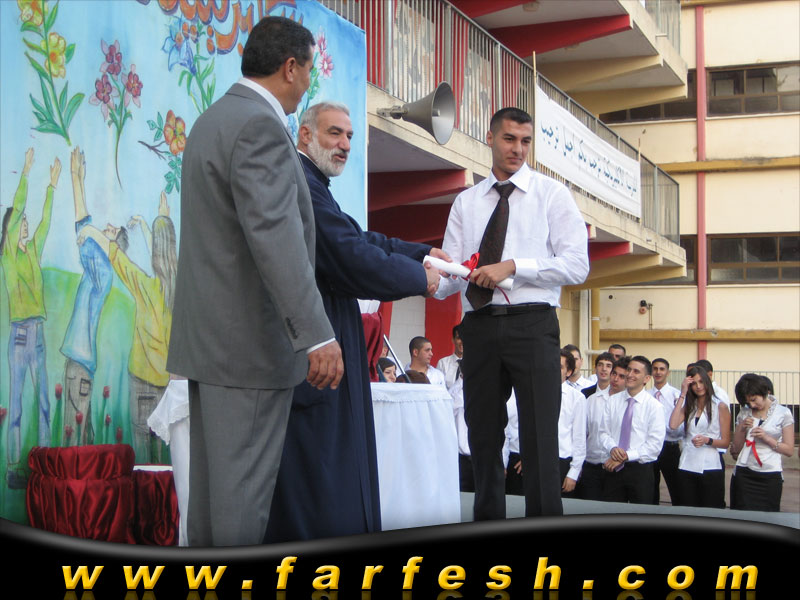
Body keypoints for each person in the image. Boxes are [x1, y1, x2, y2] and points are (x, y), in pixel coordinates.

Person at [166, 16, 343, 547]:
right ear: (290, 68)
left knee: (212, 504)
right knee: (241, 504)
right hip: (250, 350)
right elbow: (275, 238)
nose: (307, 84)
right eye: (307, 71)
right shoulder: (260, 127)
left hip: (213, 346)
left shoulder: (213, 119)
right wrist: (317, 333)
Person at [263, 101, 445, 542]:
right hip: (314, 353)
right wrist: (419, 278)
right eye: (334, 133)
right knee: (319, 483)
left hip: (326, 343)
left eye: (348, 135)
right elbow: (349, 255)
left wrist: (419, 252)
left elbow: (358, 237)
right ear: (305, 135)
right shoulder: (302, 184)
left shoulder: (315, 184)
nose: (345, 144)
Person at [434, 107, 589, 519]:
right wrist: (432, 275)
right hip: (479, 326)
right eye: (509, 139)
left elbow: (578, 265)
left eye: (525, 141)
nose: (518, 149)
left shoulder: (551, 194)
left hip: (533, 324)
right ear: (489, 138)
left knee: (539, 437)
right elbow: (452, 276)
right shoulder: (466, 202)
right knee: (483, 436)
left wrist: (516, 267)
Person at [79, 192, 177, 463]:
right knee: (164, 459)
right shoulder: (177, 292)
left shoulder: (146, 287)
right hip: (167, 388)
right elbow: (164, 256)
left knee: (143, 458)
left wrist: (90, 230)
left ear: (155, 254)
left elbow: (117, 257)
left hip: (143, 384)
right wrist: (156, 223)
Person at [1, 148, 60, 489]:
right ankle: (13, 468)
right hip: (19, 335)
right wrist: (25, 171)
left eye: (24, 221)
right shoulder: (8, 255)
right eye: (20, 221)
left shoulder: (33, 251)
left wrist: (51, 187)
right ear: (10, 229)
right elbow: (19, 206)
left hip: (37, 334)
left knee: (43, 402)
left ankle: (46, 464)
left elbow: (45, 223)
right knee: (17, 404)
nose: (25, 222)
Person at [60, 147, 125, 447]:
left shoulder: (104, 270)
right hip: (82, 363)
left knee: (73, 442)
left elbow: (83, 228)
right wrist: (78, 180)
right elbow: (84, 230)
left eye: (111, 230)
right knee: (83, 438)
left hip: (80, 364)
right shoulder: (98, 271)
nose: (106, 228)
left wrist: (76, 178)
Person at [599, 355, 665, 504]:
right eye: (629, 370)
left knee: (639, 514)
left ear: (647, 378)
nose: (630, 374)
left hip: (640, 469)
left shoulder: (654, 407)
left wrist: (626, 456)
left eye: (636, 371)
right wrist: (613, 448)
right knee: (611, 512)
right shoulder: (613, 401)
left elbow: (654, 445)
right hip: (613, 467)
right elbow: (603, 432)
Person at [730, 374, 795, 512]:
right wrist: (741, 428)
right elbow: (736, 451)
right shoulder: (744, 412)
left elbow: (789, 450)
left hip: (770, 473)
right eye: (748, 402)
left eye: (754, 400)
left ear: (764, 392)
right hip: (745, 471)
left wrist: (767, 438)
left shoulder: (783, 413)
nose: (752, 405)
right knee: (742, 516)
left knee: (768, 517)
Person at [669, 365, 730, 509]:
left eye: (701, 382)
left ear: (707, 382)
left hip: (709, 464)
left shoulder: (719, 406)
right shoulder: (690, 405)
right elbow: (673, 424)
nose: (698, 386)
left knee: (710, 508)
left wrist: (707, 440)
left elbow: (726, 442)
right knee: (686, 507)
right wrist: (683, 394)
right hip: (687, 462)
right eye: (694, 383)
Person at [576, 352, 615, 500]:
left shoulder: (619, 396)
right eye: (600, 365)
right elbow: (582, 431)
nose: (604, 369)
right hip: (590, 460)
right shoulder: (585, 395)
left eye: (608, 366)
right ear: (595, 368)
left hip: (611, 462)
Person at [650, 357, 683, 505]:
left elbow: (680, 426)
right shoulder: (646, 395)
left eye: (662, 369)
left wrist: (664, 428)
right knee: (650, 488)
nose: (658, 372)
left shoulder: (677, 395)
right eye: (655, 369)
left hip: (669, 446)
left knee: (676, 487)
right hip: (650, 447)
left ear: (668, 372)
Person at [558, 349, 587, 498]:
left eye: (559, 367)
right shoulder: (535, 394)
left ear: (568, 372)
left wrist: (573, 473)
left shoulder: (577, 398)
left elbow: (579, 438)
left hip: (562, 462)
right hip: (538, 462)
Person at [436, 325, 464, 391]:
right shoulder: (442, 363)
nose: (462, 341)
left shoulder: (474, 364)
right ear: (453, 340)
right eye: (459, 338)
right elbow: (438, 389)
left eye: (465, 338)